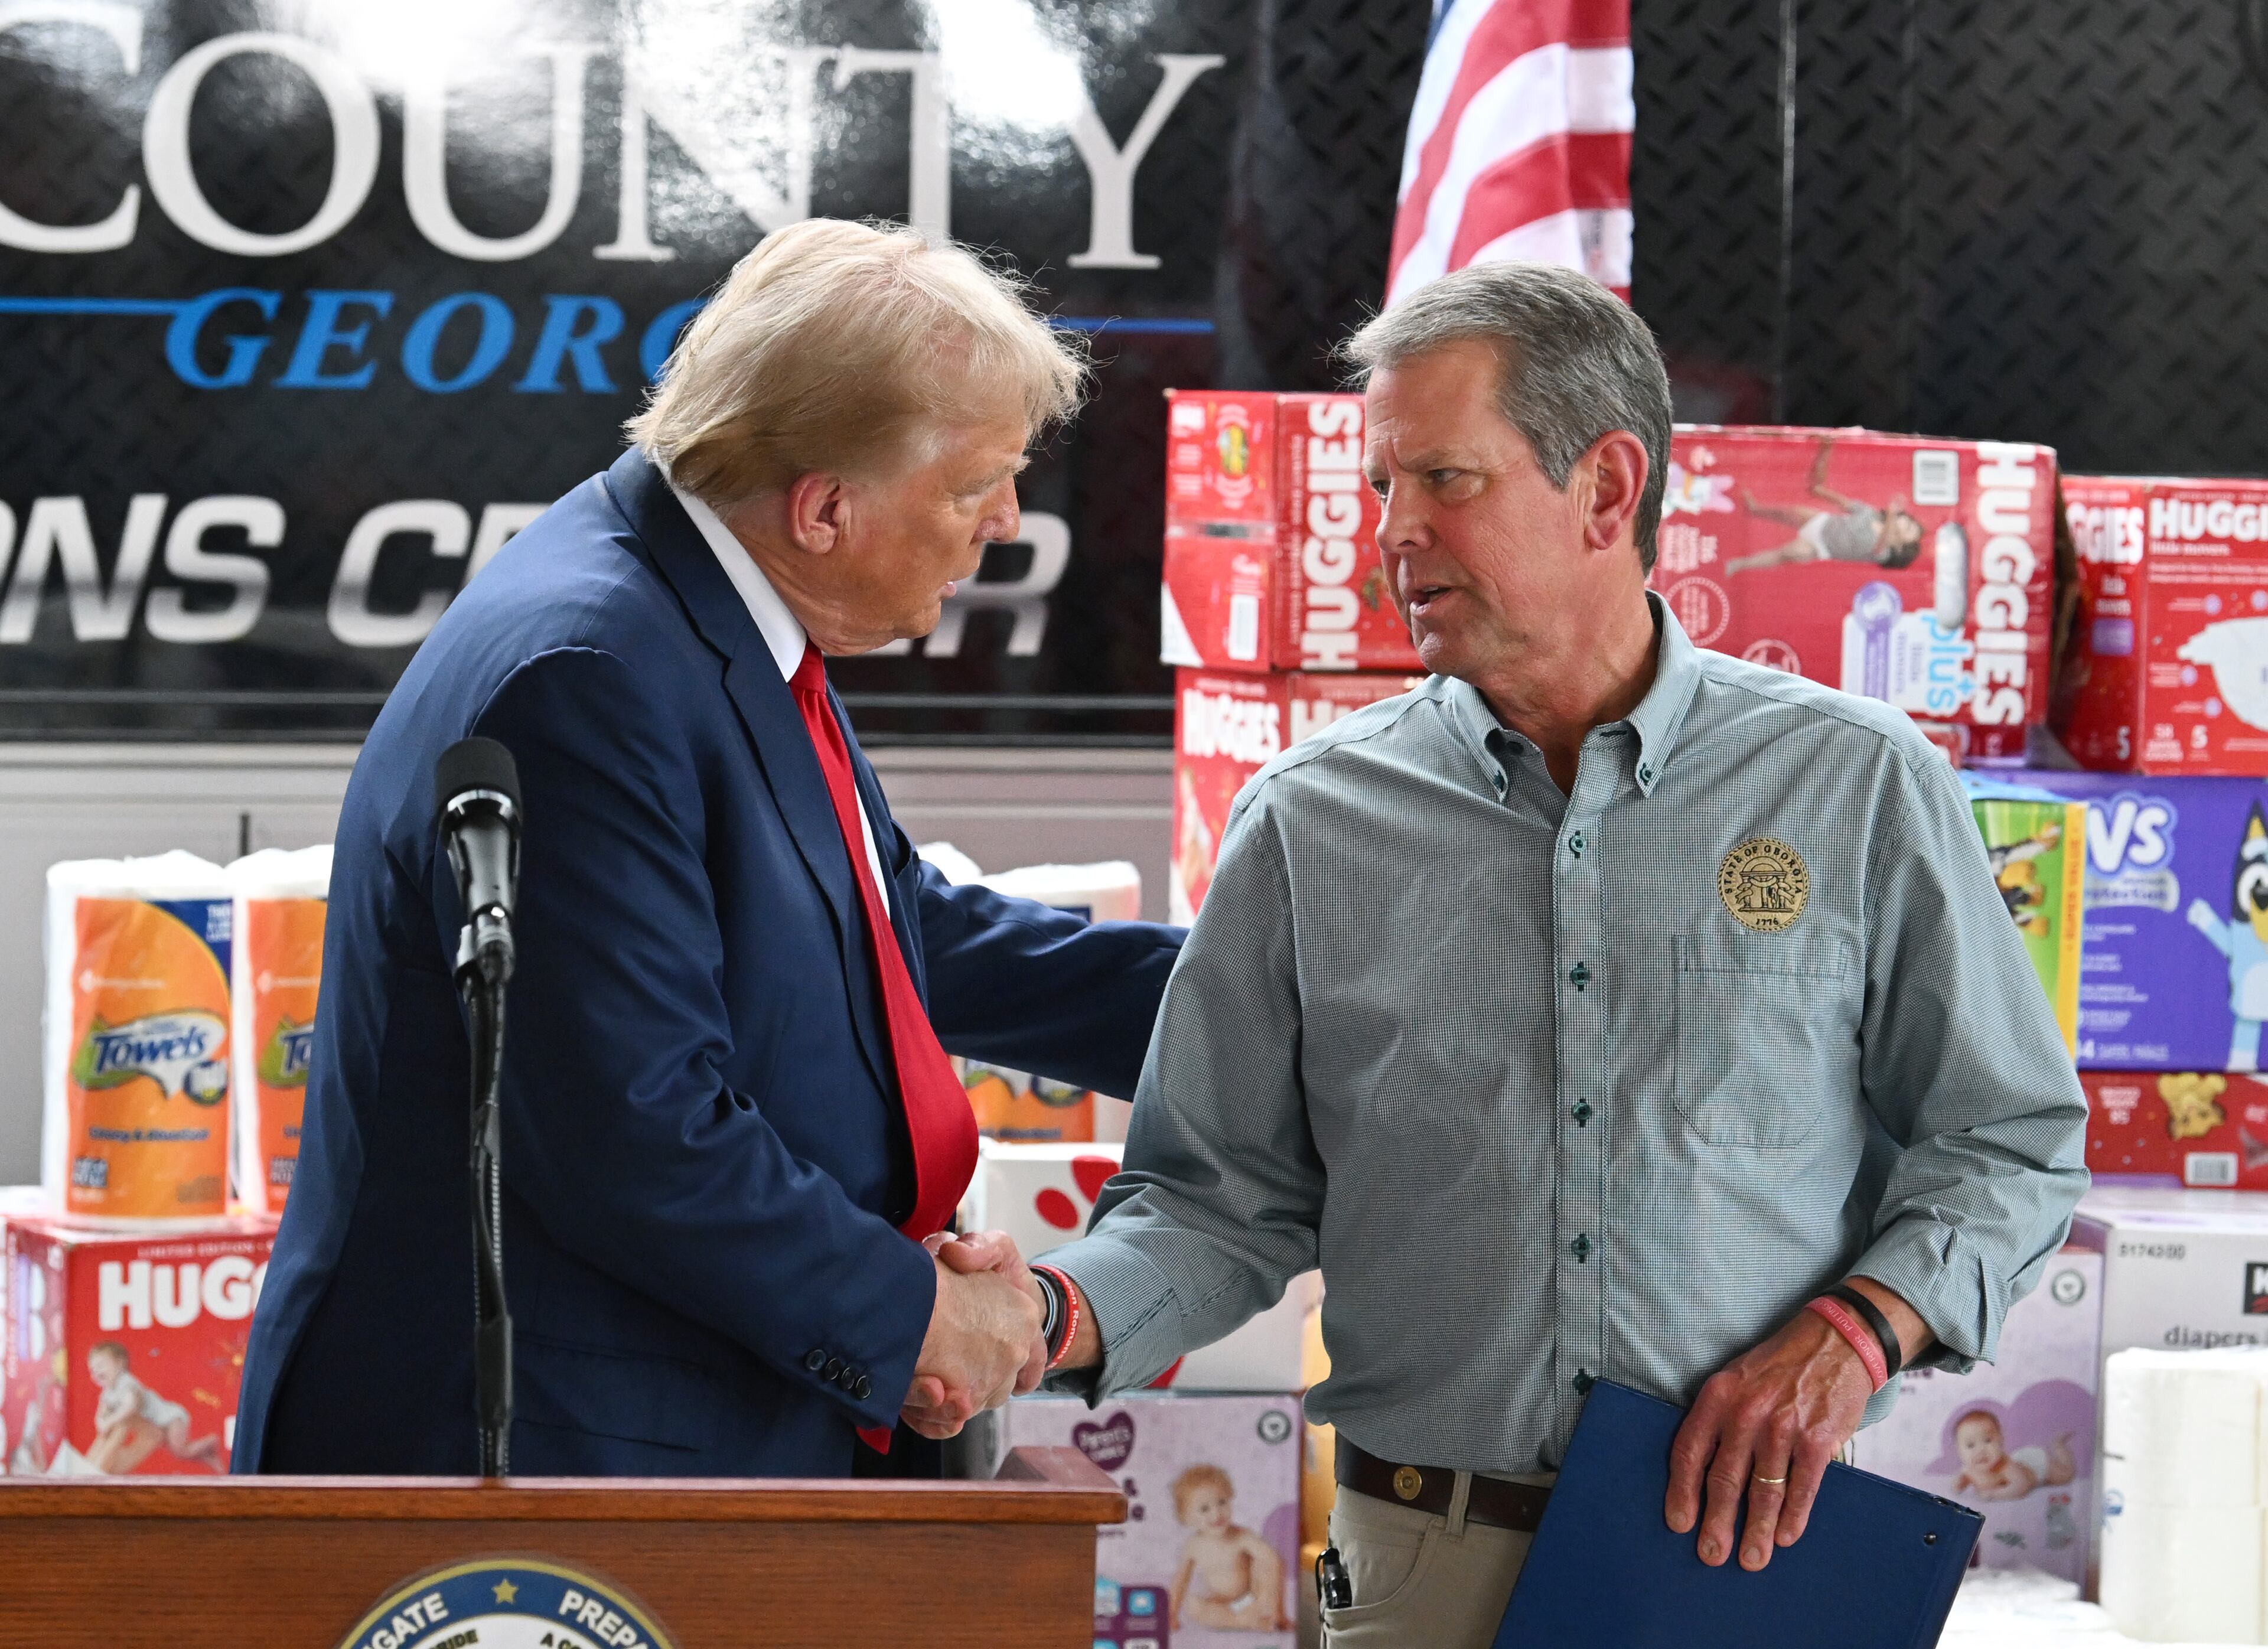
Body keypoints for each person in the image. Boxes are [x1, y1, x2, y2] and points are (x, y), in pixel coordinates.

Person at [1027, 261, 2087, 1645]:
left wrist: (1858, 1331)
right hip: (1415, 1567)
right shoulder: (1305, 821)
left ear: (1604, 488)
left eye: (1443, 479)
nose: (1389, 533)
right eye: (1377, 486)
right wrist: (1043, 1313)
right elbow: (1209, 1199)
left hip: (1747, 1560)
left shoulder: (1855, 783)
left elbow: (2007, 1136)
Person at [234, 220, 1182, 1478]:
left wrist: (1259, 1007)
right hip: (547, 1466)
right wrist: (915, 1321)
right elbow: (638, 1131)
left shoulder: (708, 604)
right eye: (970, 487)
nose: (1005, 523)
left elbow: (895, 935)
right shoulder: (590, 676)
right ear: (828, 507)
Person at [1724, 434, 1925, 572]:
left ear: (1901, 547)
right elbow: (1843, 502)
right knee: (1790, 512)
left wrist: (1891, 515)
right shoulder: (1871, 514)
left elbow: (1881, 542)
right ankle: (1755, 509)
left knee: (1788, 553)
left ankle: (1739, 564)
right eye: (1907, 524)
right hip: (1823, 522)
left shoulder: (1883, 553)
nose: (1903, 528)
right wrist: (1821, 487)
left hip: (1819, 546)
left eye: (1907, 534)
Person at [1170, 1462, 1286, 1630]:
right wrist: (1172, 1614)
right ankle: (1243, 1621)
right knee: (1193, 1606)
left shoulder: (1242, 1536)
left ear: (1230, 1498)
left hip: (1249, 1599)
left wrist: (1277, 1609)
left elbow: (1274, 1561)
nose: (1216, 1513)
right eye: (1204, 1509)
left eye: (1222, 1502)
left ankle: (1267, 1615)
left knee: (1266, 1560)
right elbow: (1180, 1581)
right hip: (1224, 1604)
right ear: (1187, 1517)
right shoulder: (1193, 1546)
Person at [86, 1342, 221, 1473]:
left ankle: (211, 1442)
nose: (97, 1371)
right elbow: (101, 1411)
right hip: (156, 1426)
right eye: (93, 1369)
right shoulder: (108, 1391)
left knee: (181, 1450)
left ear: (120, 1363)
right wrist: (100, 1422)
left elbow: (130, 1407)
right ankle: (209, 1456)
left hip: (170, 1419)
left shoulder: (127, 1382)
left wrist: (109, 1422)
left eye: (101, 1365)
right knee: (183, 1453)